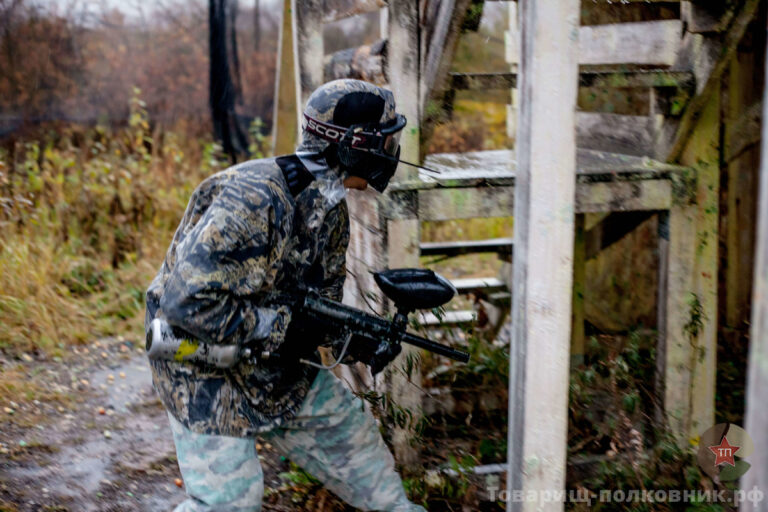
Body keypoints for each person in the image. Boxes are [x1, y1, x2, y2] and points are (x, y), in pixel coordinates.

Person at [144, 79, 426, 512]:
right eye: (385, 140)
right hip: (198, 363)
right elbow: (187, 306)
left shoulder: (330, 209)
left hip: (272, 366)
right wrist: (282, 328)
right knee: (229, 503)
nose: (391, 150)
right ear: (353, 145)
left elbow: (313, 309)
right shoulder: (256, 197)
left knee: (366, 464)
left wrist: (350, 340)